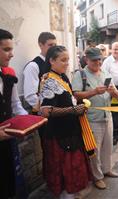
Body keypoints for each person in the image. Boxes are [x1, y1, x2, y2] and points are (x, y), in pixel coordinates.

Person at [39, 46, 91, 199]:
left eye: (68, 60)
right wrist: (74, 110)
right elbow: (46, 111)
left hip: (71, 132)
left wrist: (79, 107)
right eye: (63, 60)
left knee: (73, 174)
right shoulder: (49, 80)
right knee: (63, 174)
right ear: (52, 61)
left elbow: (68, 102)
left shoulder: (63, 77)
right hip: (59, 135)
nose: (67, 63)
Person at [72, 47, 118, 190]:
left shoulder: (105, 72)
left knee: (107, 146)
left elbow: (117, 95)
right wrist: (94, 92)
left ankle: (106, 169)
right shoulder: (80, 74)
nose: (98, 62)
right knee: (95, 150)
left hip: (107, 116)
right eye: (94, 60)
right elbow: (76, 95)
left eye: (100, 59)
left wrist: (115, 93)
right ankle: (97, 177)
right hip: (92, 118)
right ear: (87, 60)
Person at [0, 28, 27, 199]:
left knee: (8, 185)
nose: (11, 55)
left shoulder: (9, 74)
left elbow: (16, 105)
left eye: (12, 49)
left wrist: (30, 121)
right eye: (6, 49)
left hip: (7, 142)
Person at [23, 32, 56, 113]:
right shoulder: (33, 66)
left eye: (55, 45)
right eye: (50, 45)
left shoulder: (54, 63)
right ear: (40, 45)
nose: (53, 48)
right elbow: (30, 96)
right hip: (42, 113)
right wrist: (46, 110)